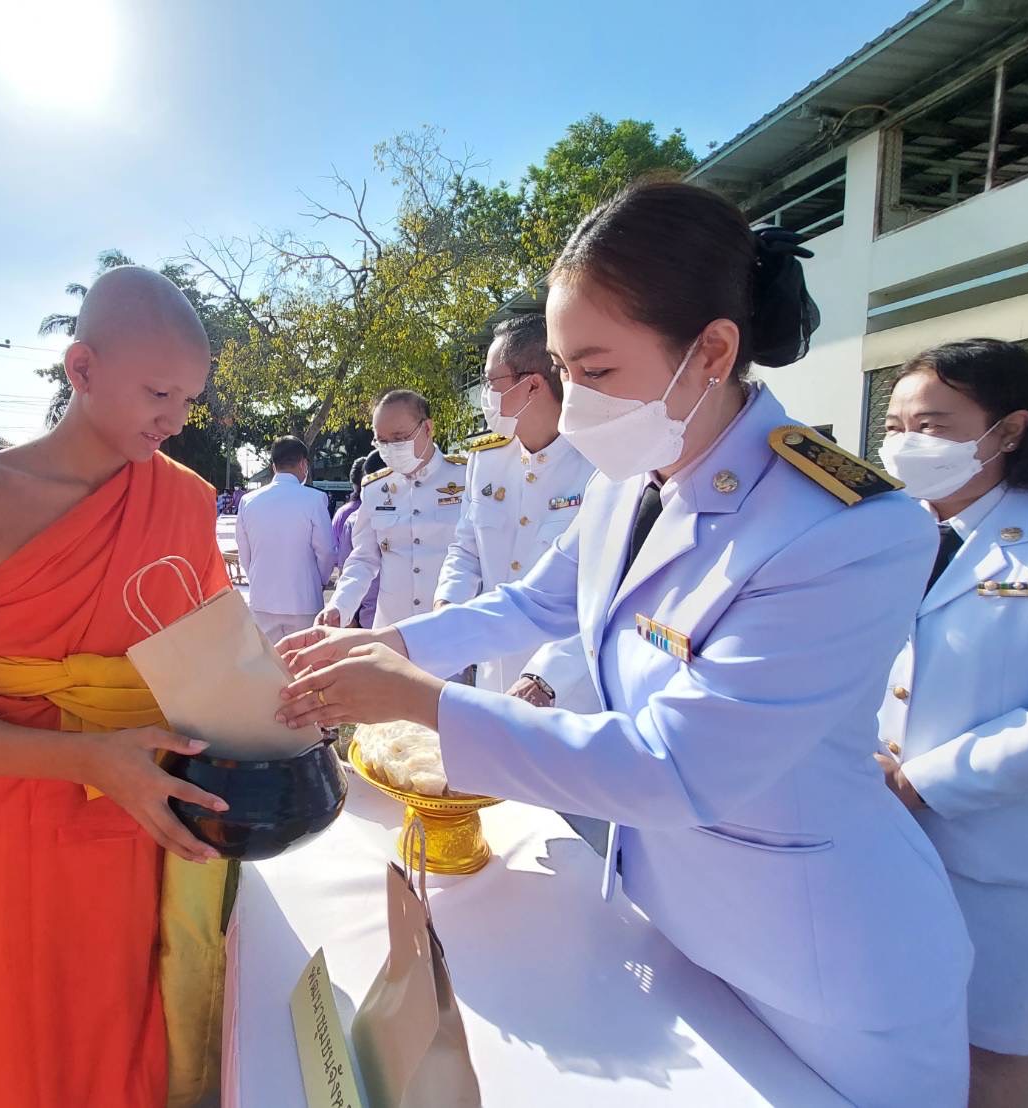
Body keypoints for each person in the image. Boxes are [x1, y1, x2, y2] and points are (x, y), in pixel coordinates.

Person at [274, 180, 974, 1107]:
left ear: (711, 350)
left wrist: (415, 698)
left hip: (827, 970)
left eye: (597, 372)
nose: (572, 407)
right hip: (671, 924)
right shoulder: (628, 480)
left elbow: (678, 767)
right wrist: (390, 643)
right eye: (565, 372)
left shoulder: (847, 528)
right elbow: (532, 602)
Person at [0, 266, 235, 1108]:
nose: (174, 419)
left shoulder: (185, 498)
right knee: (26, 1030)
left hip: (144, 796)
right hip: (14, 808)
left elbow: (214, 654)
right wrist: (88, 757)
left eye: (187, 400)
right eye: (157, 392)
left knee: (130, 1014)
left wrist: (282, 703)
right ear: (81, 369)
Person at [875, 338, 1028, 1108]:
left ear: (1008, 429)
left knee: (988, 1055)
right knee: (882, 1031)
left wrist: (912, 783)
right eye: (894, 425)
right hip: (875, 837)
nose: (905, 443)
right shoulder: (880, 531)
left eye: (931, 425)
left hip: (1012, 866)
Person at [436, 313, 599, 712]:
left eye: (491, 382)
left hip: (567, 692)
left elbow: (607, 595)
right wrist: (448, 608)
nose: (485, 395)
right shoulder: (486, 461)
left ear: (532, 385)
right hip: (495, 676)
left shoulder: (600, 465)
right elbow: (466, 549)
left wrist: (547, 677)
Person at [321, 390, 468, 629]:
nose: (390, 448)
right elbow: (363, 558)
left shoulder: (466, 477)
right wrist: (339, 606)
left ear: (427, 428)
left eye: (399, 438)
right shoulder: (375, 488)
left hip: (450, 627)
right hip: (392, 628)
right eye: (382, 441)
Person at [235, 436, 337, 642]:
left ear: (274, 466)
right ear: (303, 464)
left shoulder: (248, 501)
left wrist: (257, 579)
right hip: (304, 599)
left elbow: (244, 554)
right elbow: (326, 551)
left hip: (262, 598)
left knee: (267, 659)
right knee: (306, 657)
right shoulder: (315, 499)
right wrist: (319, 581)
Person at [332, 453, 384, 628]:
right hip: (368, 617)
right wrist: (343, 611)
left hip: (369, 616)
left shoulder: (348, 516)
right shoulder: (356, 518)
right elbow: (354, 566)